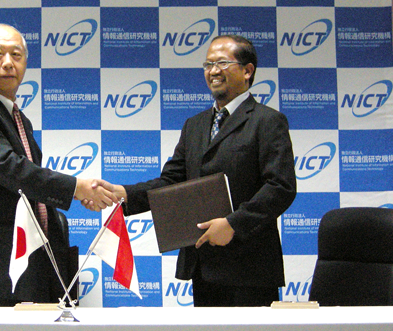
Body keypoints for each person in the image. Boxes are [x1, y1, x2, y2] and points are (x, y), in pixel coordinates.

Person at [89, 35, 297, 307]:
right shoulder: (194, 125)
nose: (213, 71)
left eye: (222, 62)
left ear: (248, 71)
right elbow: (171, 181)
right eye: (208, 64)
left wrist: (234, 224)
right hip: (203, 264)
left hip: (250, 269)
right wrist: (125, 193)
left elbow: (280, 187)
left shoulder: (268, 121)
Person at [0, 24, 118, 307]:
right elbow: (13, 171)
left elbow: (30, 186)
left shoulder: (18, 119)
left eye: (16, 55)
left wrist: (78, 195)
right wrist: (76, 188)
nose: (8, 62)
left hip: (23, 264)